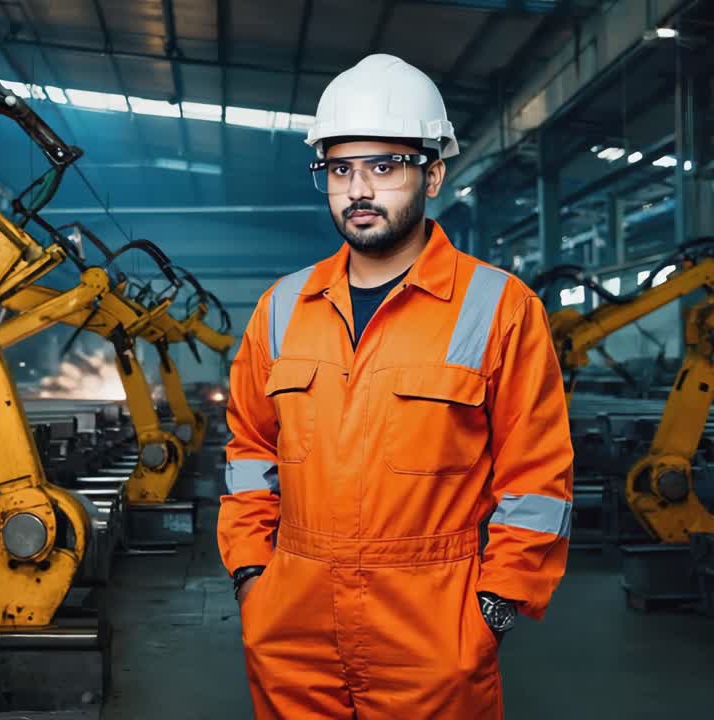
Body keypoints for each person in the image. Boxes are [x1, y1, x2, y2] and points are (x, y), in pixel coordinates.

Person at [219, 54, 575, 719]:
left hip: (434, 629)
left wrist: (494, 608)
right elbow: (248, 453)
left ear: (432, 174)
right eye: (340, 169)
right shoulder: (282, 307)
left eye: (384, 167)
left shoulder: (498, 306)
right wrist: (251, 574)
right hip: (291, 622)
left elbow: (537, 478)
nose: (358, 189)